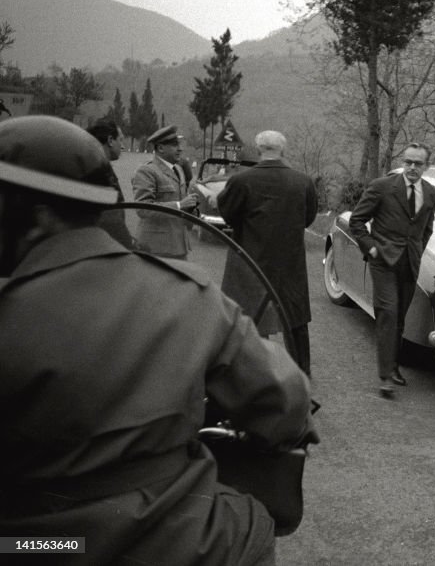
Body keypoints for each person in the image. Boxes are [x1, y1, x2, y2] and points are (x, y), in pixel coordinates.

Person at [0, 116, 316, 565]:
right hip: (174, 537)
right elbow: (284, 400)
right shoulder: (186, 294)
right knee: (252, 524)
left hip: (29, 546)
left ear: (30, 213)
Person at [217, 130, 318, 376]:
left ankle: (248, 367)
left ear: (258, 149)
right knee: (294, 316)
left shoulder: (241, 181)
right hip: (289, 260)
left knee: (248, 313)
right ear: (283, 151)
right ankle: (301, 370)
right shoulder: (303, 181)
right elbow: (309, 218)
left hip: (250, 259)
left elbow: (227, 214)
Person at [350, 142, 435, 397]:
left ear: (426, 166)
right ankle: (385, 377)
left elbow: (427, 229)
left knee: (400, 317)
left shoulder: (432, 194)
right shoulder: (382, 187)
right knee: (388, 313)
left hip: (410, 262)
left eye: (418, 164)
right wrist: (371, 248)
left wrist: (418, 251)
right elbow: (357, 221)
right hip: (383, 262)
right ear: (403, 162)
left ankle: (394, 367)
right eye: (408, 162)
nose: (412, 168)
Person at [131, 125, 198, 258]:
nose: (180, 149)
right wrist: (179, 205)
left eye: (179, 144)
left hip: (178, 245)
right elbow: (143, 209)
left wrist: (191, 209)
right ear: (160, 148)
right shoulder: (147, 171)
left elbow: (182, 203)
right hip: (156, 247)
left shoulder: (178, 170)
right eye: (174, 145)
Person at [86, 120, 134, 248]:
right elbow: (110, 220)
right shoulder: (97, 172)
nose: (122, 146)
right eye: (121, 140)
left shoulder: (100, 167)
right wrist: (130, 247)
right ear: (110, 140)